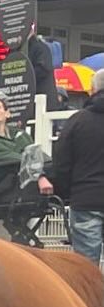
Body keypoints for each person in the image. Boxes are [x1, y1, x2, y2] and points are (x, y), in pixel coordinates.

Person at [52, 67, 104, 264]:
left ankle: (89, 296)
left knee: (86, 268)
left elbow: (62, 163)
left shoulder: (77, 121)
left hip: (85, 199)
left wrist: (66, 194)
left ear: (92, 90)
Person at [0, 93, 54, 201]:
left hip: (25, 178)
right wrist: (40, 176)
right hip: (2, 185)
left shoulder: (20, 134)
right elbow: (16, 160)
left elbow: (36, 154)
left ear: (7, 114)